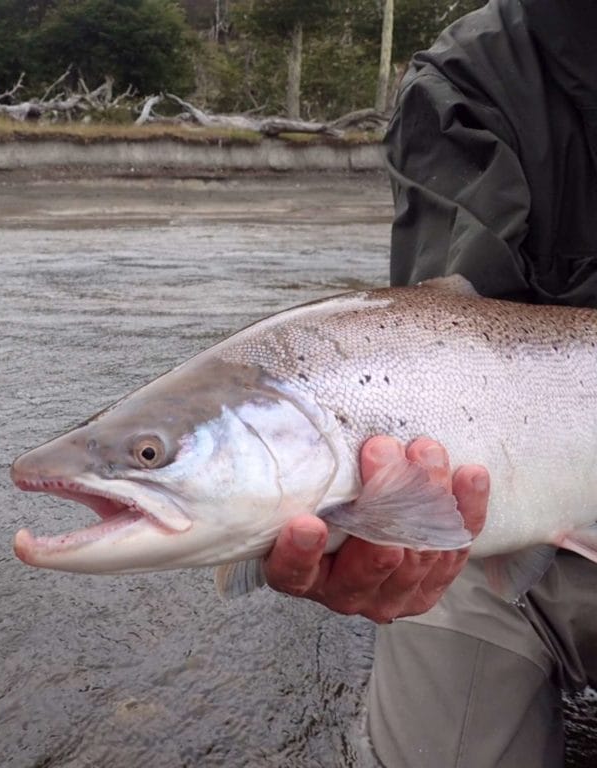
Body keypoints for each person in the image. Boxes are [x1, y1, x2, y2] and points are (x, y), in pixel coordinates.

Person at [264, 0, 597, 765]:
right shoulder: (472, 82)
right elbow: (444, 354)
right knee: (439, 529)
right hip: (527, 537)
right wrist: (386, 514)